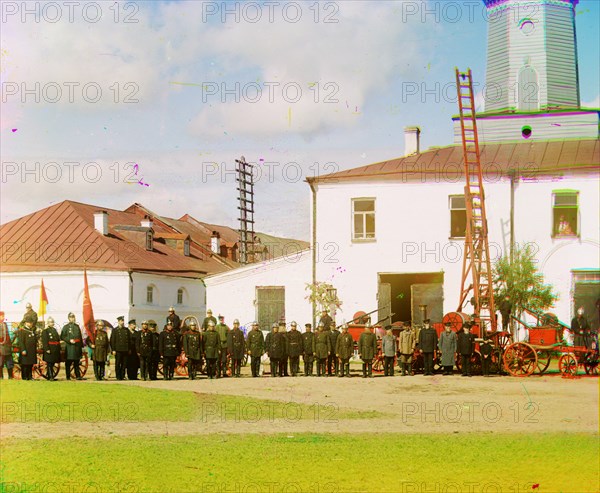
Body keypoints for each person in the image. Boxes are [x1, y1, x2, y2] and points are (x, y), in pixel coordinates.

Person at [61, 312, 83, 380]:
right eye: (71, 317)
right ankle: (68, 376)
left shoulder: (77, 326)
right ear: (68, 318)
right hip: (69, 347)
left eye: (73, 317)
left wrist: (81, 346)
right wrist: (69, 340)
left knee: (76, 362)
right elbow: (62, 336)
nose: (72, 319)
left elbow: (80, 337)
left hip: (76, 347)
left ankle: (78, 376)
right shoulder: (66, 327)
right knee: (68, 363)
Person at [0, 311, 15, 379]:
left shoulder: (5, 324)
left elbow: (7, 335)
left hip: (7, 347)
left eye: (3, 316)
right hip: (0, 347)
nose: (3, 317)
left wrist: (9, 344)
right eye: (2, 316)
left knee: (9, 363)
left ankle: (10, 376)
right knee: (0, 363)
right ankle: (0, 376)